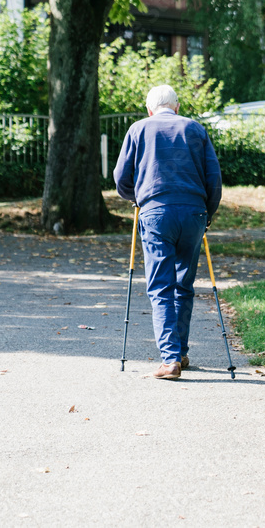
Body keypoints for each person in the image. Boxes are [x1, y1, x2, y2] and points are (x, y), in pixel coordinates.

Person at [113, 85, 222, 380]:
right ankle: (181, 352)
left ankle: (171, 358)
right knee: (184, 284)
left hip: (156, 211)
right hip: (194, 212)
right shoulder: (195, 129)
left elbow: (121, 178)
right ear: (176, 107)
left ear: (150, 110)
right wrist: (207, 215)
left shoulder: (138, 129)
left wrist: (137, 199)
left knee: (161, 285)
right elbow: (214, 178)